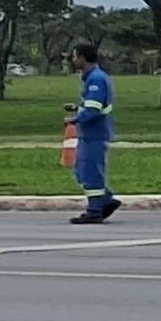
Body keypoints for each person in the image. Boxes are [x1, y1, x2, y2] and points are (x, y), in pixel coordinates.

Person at [63, 41, 117, 224]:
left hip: (95, 134)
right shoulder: (93, 77)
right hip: (90, 134)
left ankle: (95, 211)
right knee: (82, 171)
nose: (72, 59)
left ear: (83, 58)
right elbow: (93, 105)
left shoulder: (95, 79)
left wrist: (75, 119)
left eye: (74, 56)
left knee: (90, 173)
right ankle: (106, 201)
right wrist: (77, 108)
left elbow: (93, 109)